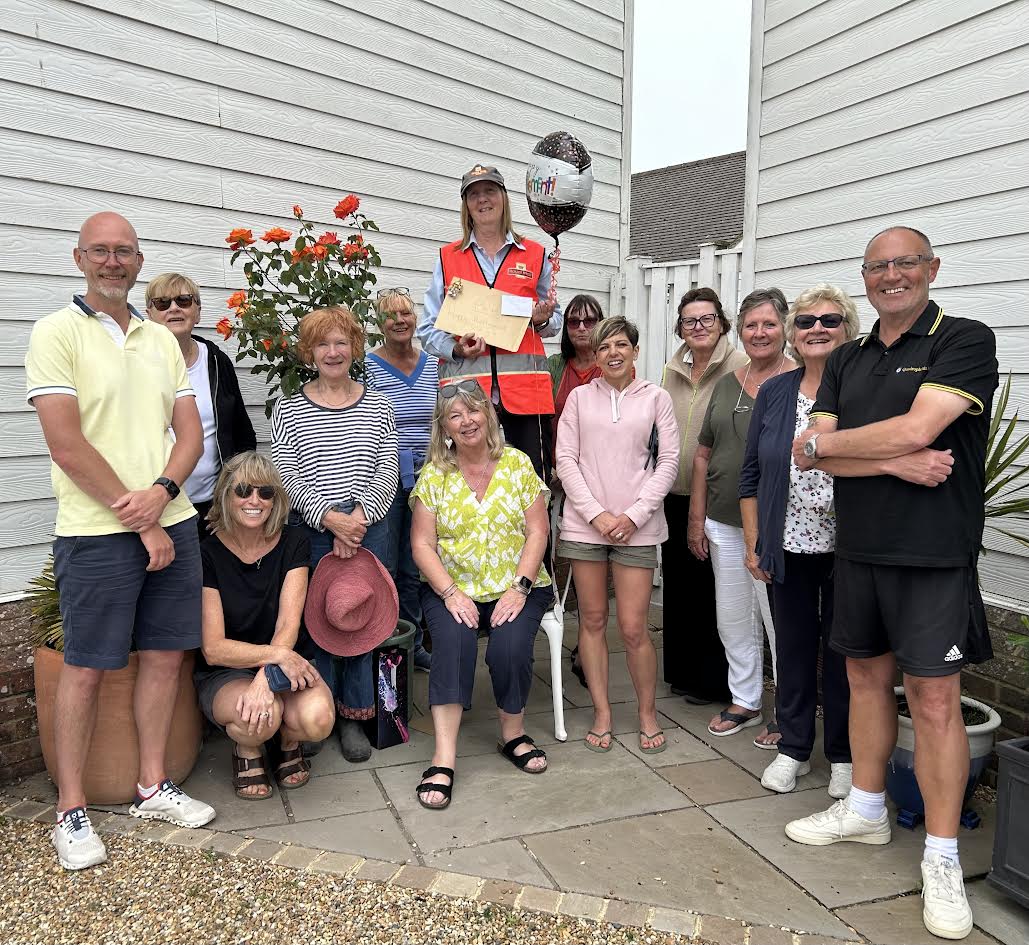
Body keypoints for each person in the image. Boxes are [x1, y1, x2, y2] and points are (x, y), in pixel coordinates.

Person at [786, 227, 998, 941]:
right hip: (858, 550)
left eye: (904, 263)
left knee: (934, 702)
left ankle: (941, 855)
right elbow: (810, 454)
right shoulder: (847, 356)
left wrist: (837, 445)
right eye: (877, 266)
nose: (891, 275)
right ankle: (866, 810)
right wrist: (891, 459)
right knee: (864, 681)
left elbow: (912, 429)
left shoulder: (962, 339)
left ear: (930, 268)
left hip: (932, 554)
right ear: (865, 277)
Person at [25, 212, 215, 871]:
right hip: (96, 530)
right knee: (86, 666)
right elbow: (66, 443)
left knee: (164, 657)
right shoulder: (55, 332)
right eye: (101, 251)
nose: (113, 261)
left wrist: (162, 494)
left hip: (172, 517)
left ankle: (152, 785)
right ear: (79, 257)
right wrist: (143, 519)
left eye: (124, 251)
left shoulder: (161, 339)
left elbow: (190, 434)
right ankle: (71, 809)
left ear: (138, 261)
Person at [738, 285, 860, 797]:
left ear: (848, 330)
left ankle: (843, 755)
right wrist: (754, 543)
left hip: (851, 547)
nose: (817, 329)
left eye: (830, 320)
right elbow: (750, 474)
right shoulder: (775, 392)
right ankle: (793, 747)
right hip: (786, 543)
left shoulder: (864, 389)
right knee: (791, 649)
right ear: (794, 333)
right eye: (806, 321)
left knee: (845, 653)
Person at [410, 379, 552, 809]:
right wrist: (451, 593)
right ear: (444, 427)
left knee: (509, 647)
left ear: (489, 415)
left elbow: (538, 531)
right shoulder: (434, 475)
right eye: (455, 415)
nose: (467, 421)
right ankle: (444, 757)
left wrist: (519, 588)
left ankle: (512, 734)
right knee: (453, 645)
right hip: (451, 588)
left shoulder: (517, 463)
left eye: (474, 410)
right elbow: (422, 544)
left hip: (518, 585)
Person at [271, 305, 399, 764]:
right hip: (313, 530)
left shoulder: (379, 405)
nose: (332, 351)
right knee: (318, 623)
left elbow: (387, 469)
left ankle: (353, 717)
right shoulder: (288, 408)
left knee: (361, 621)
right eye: (322, 343)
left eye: (341, 342)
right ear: (309, 352)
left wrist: (357, 520)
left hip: (368, 527)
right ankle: (317, 709)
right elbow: (285, 473)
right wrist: (330, 519)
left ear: (355, 347)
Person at [555, 317, 679, 753]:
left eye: (621, 345)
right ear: (595, 354)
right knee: (591, 621)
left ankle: (647, 713)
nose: (613, 353)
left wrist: (633, 515)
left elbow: (668, 462)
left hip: (637, 528)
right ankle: (602, 712)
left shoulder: (657, 398)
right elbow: (565, 460)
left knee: (633, 628)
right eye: (604, 346)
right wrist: (597, 515)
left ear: (635, 351)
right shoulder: (578, 398)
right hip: (585, 526)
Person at [196, 452, 334, 799]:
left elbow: (288, 622)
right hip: (229, 670)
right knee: (260, 719)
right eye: (243, 490)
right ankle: (248, 748)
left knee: (318, 719)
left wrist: (266, 678)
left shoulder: (293, 542)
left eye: (265, 492)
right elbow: (213, 648)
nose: (254, 500)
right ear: (226, 495)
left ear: (276, 500)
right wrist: (274, 661)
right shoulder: (207, 552)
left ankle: (288, 741)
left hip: (286, 662)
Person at [690, 289, 795, 745]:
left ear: (784, 327)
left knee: (780, 622)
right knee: (733, 618)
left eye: (769, 324)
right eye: (751, 325)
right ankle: (746, 699)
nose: (759, 333)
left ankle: (789, 711)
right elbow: (704, 452)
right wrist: (697, 518)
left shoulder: (801, 381)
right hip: (723, 520)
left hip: (779, 526)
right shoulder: (728, 383)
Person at [417, 164, 562, 481]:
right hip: (466, 399)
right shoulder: (447, 257)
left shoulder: (535, 254)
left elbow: (555, 321)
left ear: (504, 197)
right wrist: (456, 349)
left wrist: (542, 319)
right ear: (466, 206)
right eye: (474, 194)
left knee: (531, 485)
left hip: (526, 397)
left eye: (490, 191)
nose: (482, 199)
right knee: (467, 487)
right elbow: (427, 329)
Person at [661, 287, 747, 705]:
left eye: (707, 318)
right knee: (680, 588)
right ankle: (682, 671)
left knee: (713, 591)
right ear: (680, 328)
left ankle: (713, 681)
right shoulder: (672, 369)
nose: (698, 327)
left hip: (715, 495)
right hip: (673, 493)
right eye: (689, 321)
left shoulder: (740, 366)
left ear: (722, 322)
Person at [145, 272, 256, 541]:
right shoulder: (136, 364)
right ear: (149, 314)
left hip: (211, 510)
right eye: (163, 303)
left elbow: (242, 435)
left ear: (197, 312)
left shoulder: (216, 362)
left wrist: (230, 498)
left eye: (184, 300)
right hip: (156, 510)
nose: (174, 308)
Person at [366, 288, 437, 672]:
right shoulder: (368, 366)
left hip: (427, 478)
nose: (399, 321)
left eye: (405, 313)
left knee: (414, 565)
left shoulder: (433, 363)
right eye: (389, 314)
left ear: (415, 318)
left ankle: (413, 644)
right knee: (386, 565)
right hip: (385, 476)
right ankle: (382, 644)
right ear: (379, 323)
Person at [545, 293, 605, 686]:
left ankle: (587, 648)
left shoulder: (611, 364)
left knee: (592, 565)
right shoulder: (554, 367)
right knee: (554, 559)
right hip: (555, 476)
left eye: (589, 320)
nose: (582, 328)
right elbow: (539, 418)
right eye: (573, 321)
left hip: (599, 482)